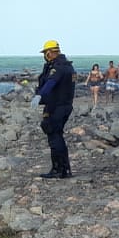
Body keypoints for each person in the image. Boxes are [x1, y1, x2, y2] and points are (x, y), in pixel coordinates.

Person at [32, 40, 76, 179]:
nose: (45, 56)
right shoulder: (68, 66)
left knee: (54, 136)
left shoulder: (58, 68)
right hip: (64, 105)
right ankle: (63, 169)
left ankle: (59, 169)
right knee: (56, 135)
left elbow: (51, 82)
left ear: (50, 52)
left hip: (57, 106)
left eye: (45, 53)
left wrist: (39, 95)